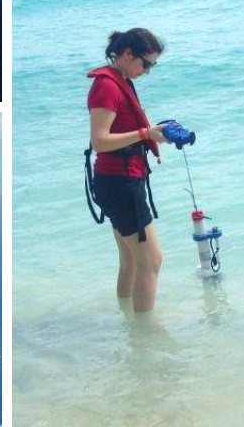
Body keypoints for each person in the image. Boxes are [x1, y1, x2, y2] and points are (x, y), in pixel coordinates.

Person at [85, 28, 168, 313]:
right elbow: (100, 140)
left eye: (152, 66)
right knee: (151, 260)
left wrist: (155, 133)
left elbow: (126, 129)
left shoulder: (120, 80)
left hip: (116, 180)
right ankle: (145, 335)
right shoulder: (106, 86)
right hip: (120, 183)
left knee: (131, 260)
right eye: (146, 64)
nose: (147, 71)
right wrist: (146, 132)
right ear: (128, 54)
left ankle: (128, 322)